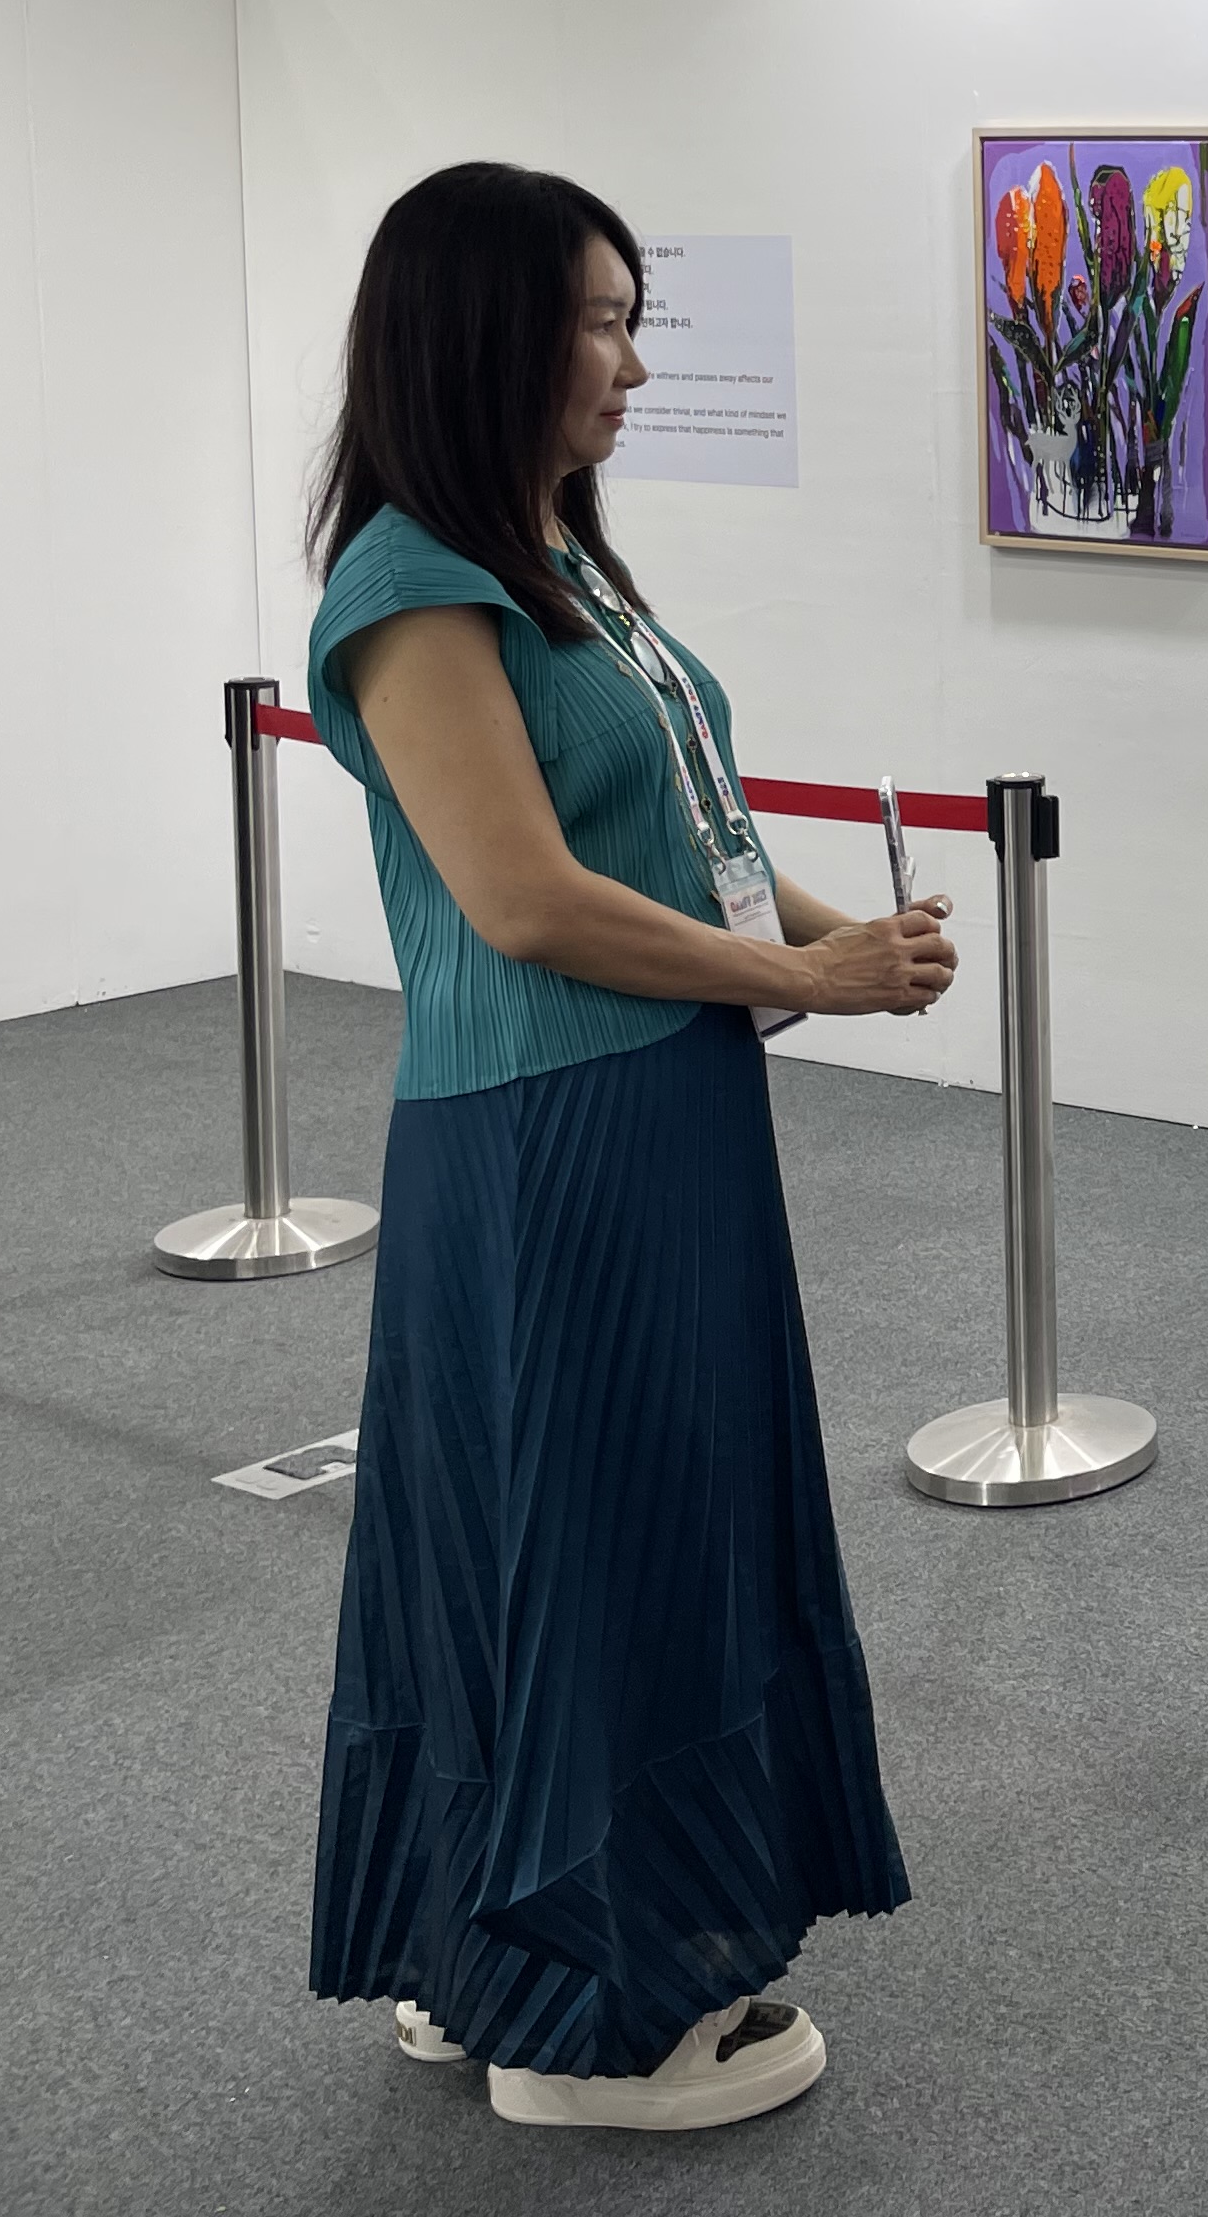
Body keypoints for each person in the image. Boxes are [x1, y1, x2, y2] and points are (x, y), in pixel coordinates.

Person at [298, 163, 955, 2130]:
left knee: (600, 1524)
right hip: (548, 1138)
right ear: (482, 333)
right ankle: (589, 2017)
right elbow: (526, 903)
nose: (633, 367)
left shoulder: (555, 564)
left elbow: (677, 840)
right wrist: (808, 979)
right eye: (597, 323)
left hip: (655, 1103)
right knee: (580, 1537)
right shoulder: (414, 588)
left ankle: (485, 1950)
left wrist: (827, 943)